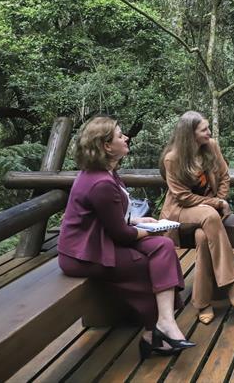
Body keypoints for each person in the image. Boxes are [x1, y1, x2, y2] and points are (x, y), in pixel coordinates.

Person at [58, 116, 194, 360]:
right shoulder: (99, 183)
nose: (126, 138)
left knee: (164, 246)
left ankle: (165, 322)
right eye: (120, 136)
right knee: (144, 265)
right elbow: (120, 235)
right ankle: (152, 333)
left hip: (101, 240)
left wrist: (140, 221)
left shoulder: (106, 173)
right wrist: (149, 230)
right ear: (106, 146)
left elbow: (109, 219)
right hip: (83, 255)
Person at [159, 111, 234, 325]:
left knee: (201, 237)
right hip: (182, 210)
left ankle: (201, 302)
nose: (209, 132)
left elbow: (225, 176)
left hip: (208, 214)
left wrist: (220, 198)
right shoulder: (172, 158)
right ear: (190, 134)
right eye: (204, 130)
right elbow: (182, 197)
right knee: (208, 215)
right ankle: (231, 284)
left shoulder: (212, 146)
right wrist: (216, 204)